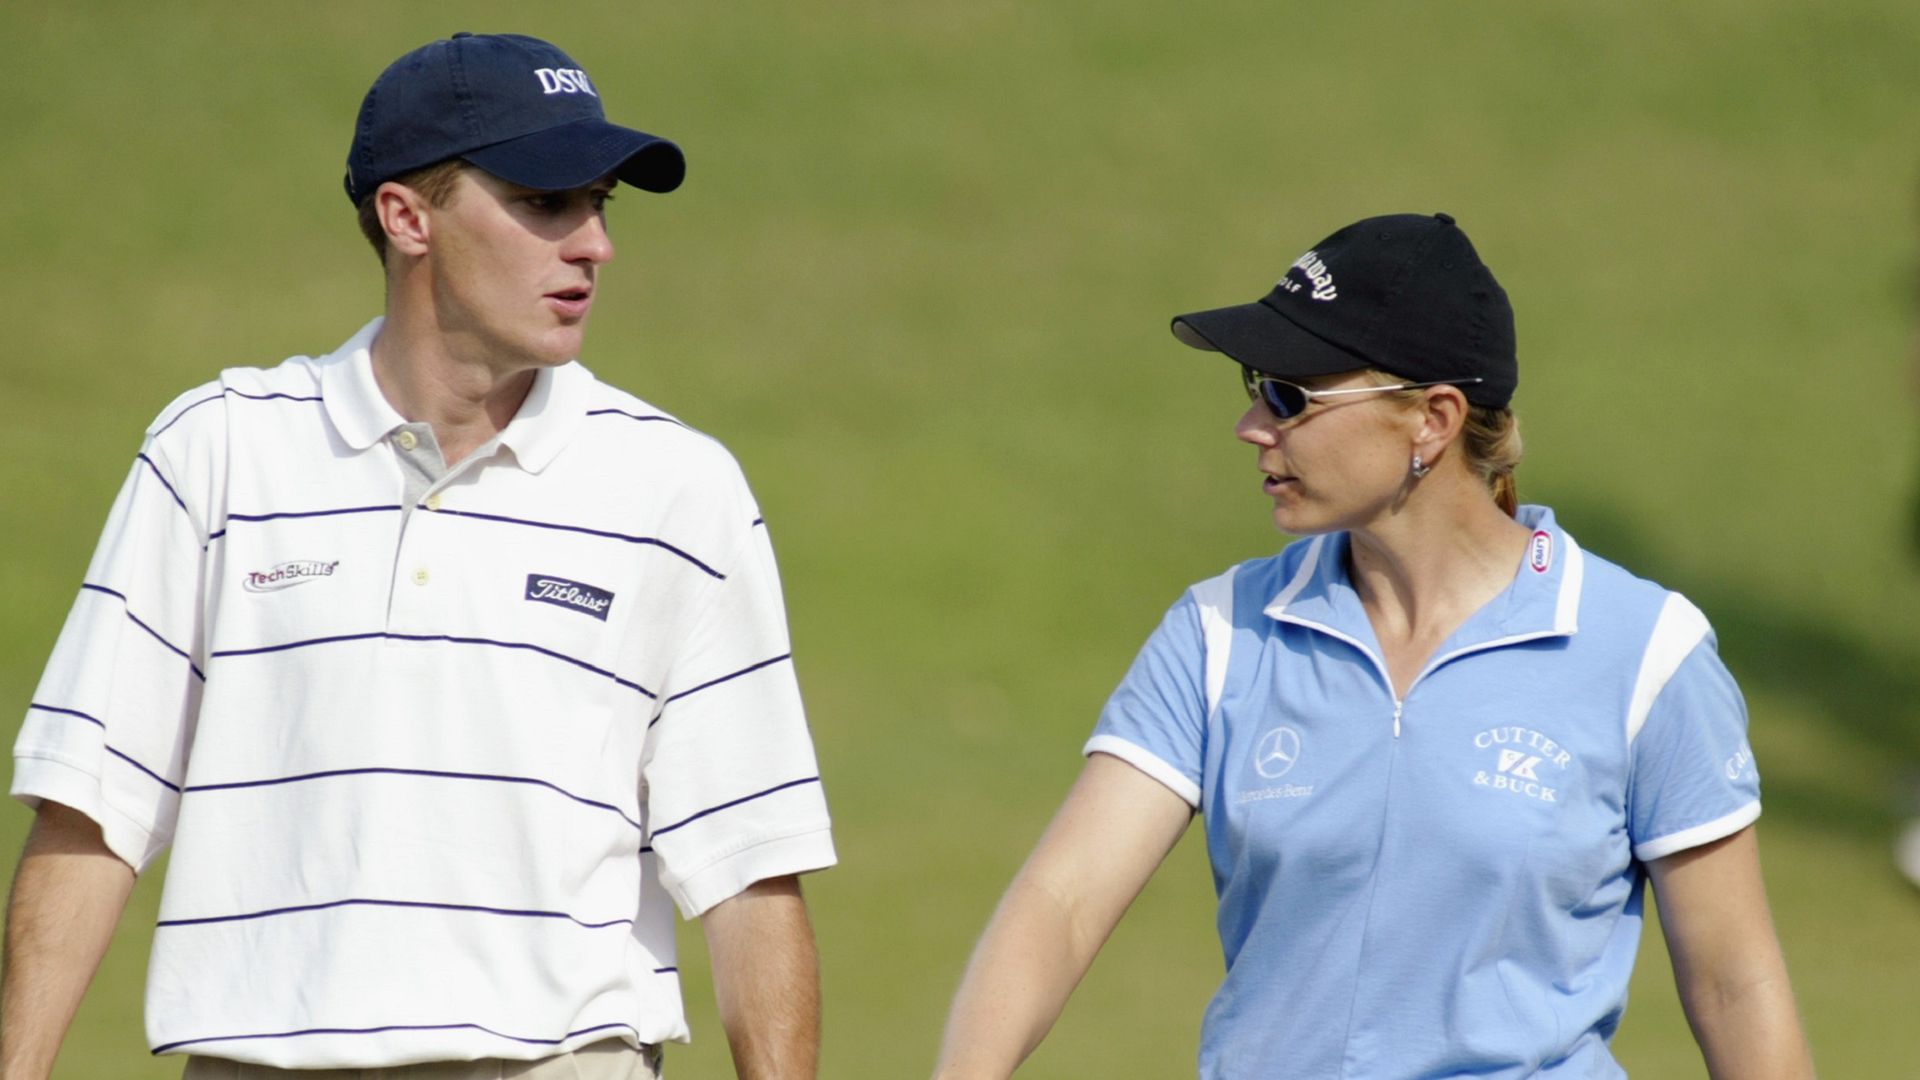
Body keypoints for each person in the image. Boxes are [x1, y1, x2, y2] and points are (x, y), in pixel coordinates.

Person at [2, 32, 834, 1080]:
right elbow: (93, 810)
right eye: (545, 203)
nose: (593, 246)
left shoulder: (679, 489)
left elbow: (748, 870)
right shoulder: (215, 452)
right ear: (408, 218)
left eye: (600, 205)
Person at [933, 213, 1814, 1078]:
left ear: (1431, 420)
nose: (1252, 426)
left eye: (1291, 396)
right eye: (1254, 385)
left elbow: (1735, 984)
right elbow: (1062, 900)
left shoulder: (1644, 651)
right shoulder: (1218, 633)